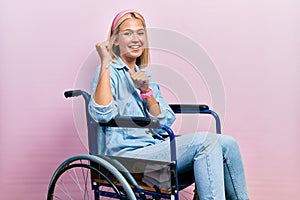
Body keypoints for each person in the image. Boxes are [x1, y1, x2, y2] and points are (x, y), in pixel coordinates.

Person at [89, 9, 249, 200]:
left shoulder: (146, 78)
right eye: (127, 33)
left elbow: (163, 120)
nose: (136, 39)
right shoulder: (107, 72)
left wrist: (146, 92)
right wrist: (106, 62)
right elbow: (102, 114)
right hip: (125, 158)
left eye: (140, 33)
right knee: (206, 141)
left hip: (154, 148)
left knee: (228, 143)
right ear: (115, 40)